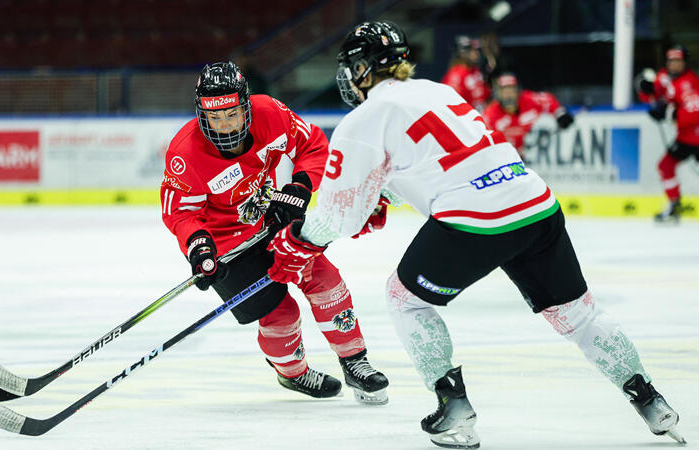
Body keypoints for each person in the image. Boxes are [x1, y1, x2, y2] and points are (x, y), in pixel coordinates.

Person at [266, 21, 685, 448]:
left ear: (362, 69)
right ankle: (652, 403)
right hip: (535, 204)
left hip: (474, 220)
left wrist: (299, 241)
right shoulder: (438, 91)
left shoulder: (363, 119)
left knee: (404, 298)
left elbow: (340, 216)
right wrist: (383, 195)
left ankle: (454, 408)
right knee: (578, 315)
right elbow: (442, 160)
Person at [160, 61, 389, 404]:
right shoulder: (186, 154)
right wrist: (200, 248)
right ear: (201, 114)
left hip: (269, 222)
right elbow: (180, 213)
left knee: (324, 278)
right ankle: (293, 374)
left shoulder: (272, 114)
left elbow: (312, 145)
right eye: (215, 118)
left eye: (232, 115)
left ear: (247, 106)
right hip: (226, 248)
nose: (224, 126)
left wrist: (299, 187)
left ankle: (355, 361)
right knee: (281, 313)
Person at [636, 44, 699, 222]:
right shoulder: (664, 76)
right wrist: (646, 90)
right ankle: (674, 205)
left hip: (694, 136)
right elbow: (655, 96)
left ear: (685, 62)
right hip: (685, 137)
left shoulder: (689, 82)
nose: (674, 64)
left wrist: (668, 112)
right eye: (671, 61)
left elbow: (694, 111)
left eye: (678, 61)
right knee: (666, 166)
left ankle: (674, 205)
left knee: (666, 165)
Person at [483, 72, 574, 159]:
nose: (508, 95)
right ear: (498, 93)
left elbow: (549, 100)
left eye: (511, 90)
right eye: (504, 91)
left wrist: (560, 114)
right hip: (506, 159)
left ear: (517, 91)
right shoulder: (490, 114)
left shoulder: (530, 100)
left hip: (534, 155)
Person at [441, 35, 491, 112]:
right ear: (463, 53)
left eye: (477, 50)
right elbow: (450, 103)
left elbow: (485, 94)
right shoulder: (456, 75)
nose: (477, 53)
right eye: (473, 50)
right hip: (466, 118)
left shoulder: (476, 70)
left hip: (480, 115)